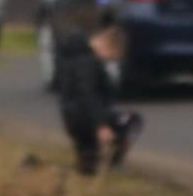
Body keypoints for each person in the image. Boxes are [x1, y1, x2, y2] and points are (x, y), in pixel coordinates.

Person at [50, 16, 141, 177]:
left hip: (72, 118)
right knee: (132, 120)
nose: (107, 61)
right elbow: (88, 95)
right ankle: (113, 161)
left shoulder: (72, 57)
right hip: (87, 119)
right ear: (108, 46)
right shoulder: (89, 62)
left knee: (88, 168)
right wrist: (101, 126)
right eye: (111, 57)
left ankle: (88, 160)